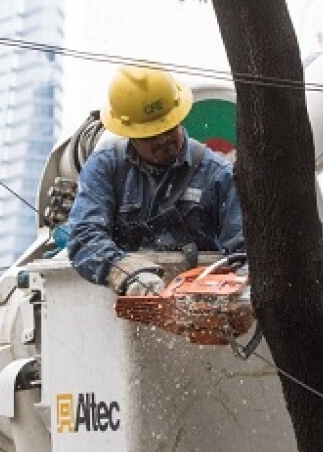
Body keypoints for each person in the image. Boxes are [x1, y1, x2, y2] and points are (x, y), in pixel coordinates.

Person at [66, 64, 244, 295]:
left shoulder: (216, 174)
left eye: (168, 128)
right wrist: (124, 271)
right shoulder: (106, 168)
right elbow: (84, 238)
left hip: (204, 305)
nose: (163, 139)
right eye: (151, 135)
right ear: (129, 133)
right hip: (120, 309)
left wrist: (235, 290)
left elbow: (244, 252)